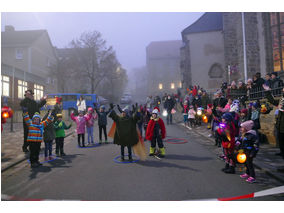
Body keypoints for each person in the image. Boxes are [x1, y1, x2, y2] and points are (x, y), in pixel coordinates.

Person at [263, 84, 284, 159]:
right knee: (281, 142)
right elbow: (273, 101)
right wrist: (268, 91)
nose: (282, 90)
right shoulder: (282, 100)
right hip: (280, 126)